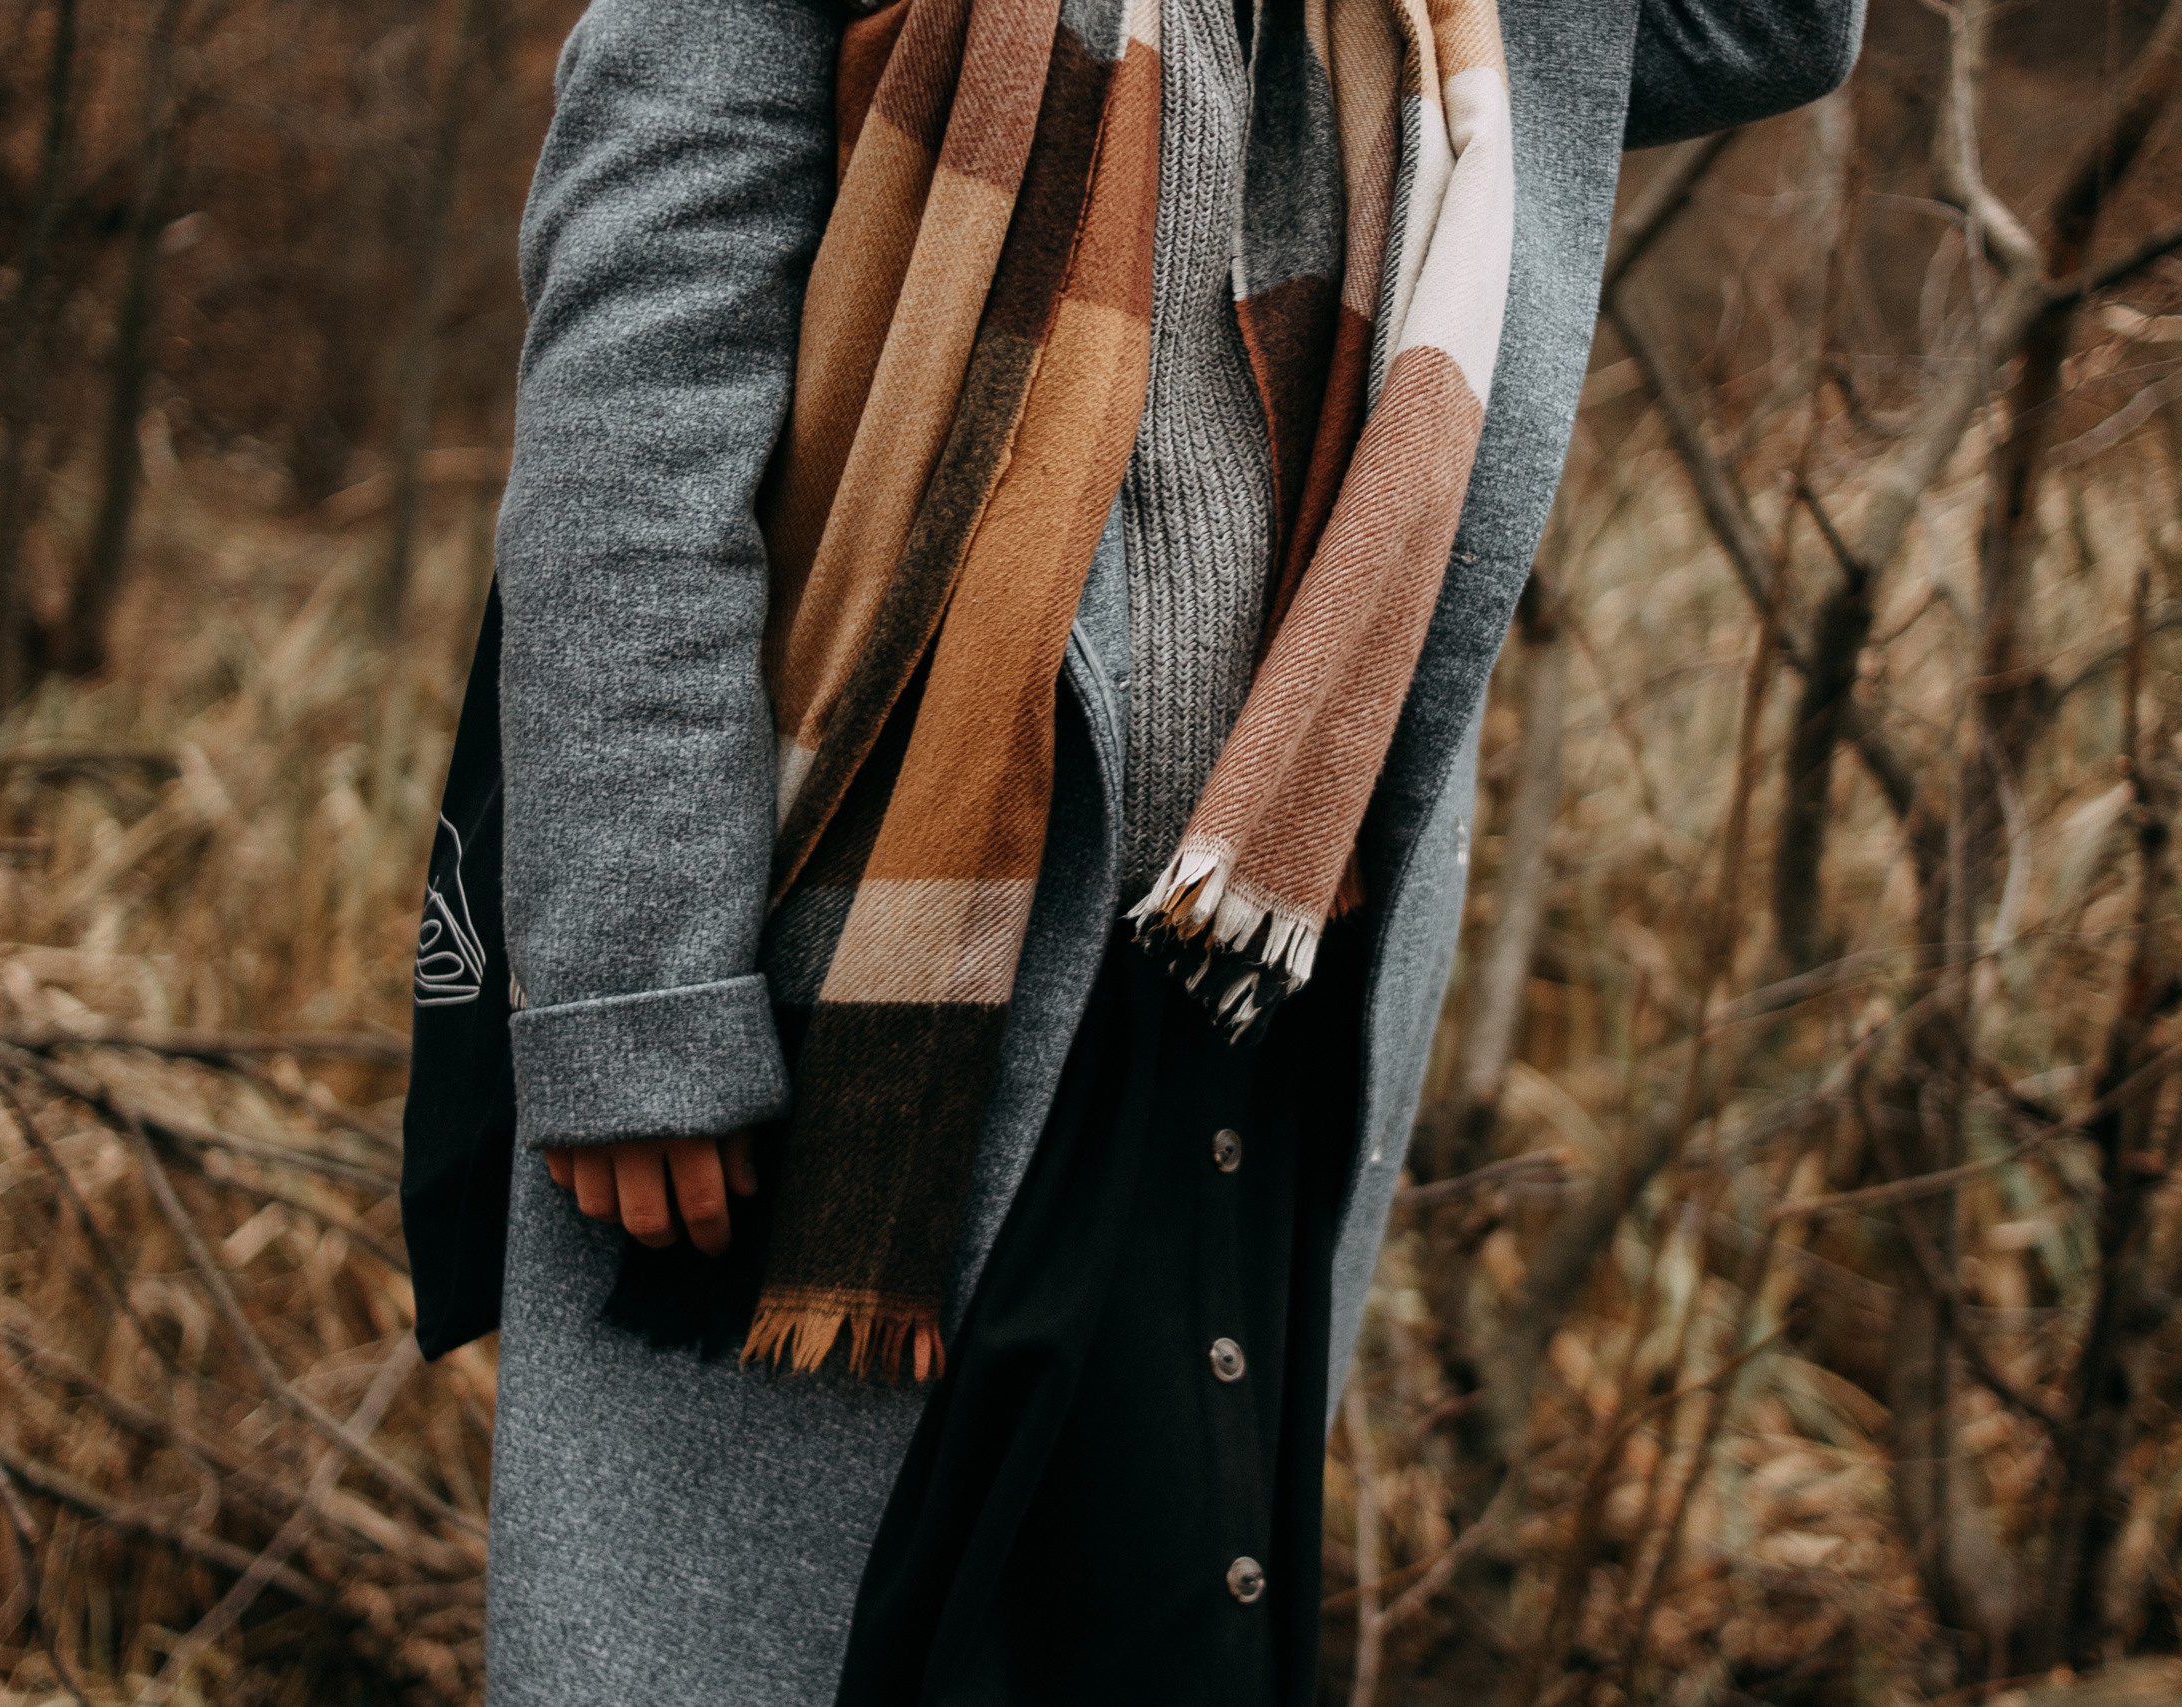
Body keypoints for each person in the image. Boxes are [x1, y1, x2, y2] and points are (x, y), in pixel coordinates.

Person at [403, 0, 1861, 1698]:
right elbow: (636, 412)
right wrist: (636, 995)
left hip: (1238, 996)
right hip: (869, 1004)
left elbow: (1770, 29)